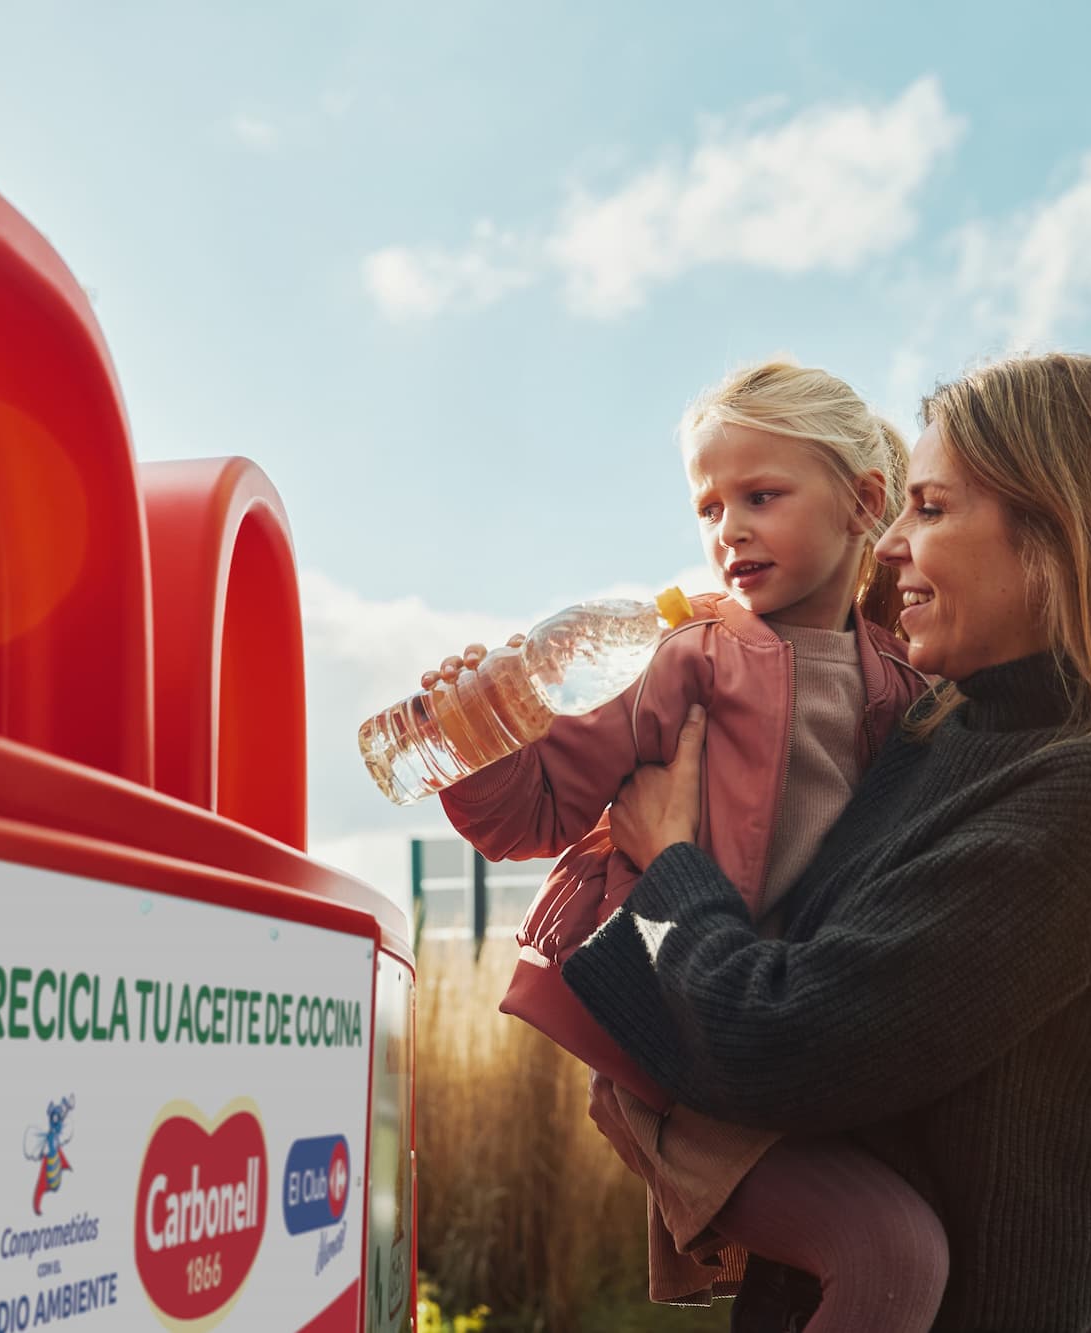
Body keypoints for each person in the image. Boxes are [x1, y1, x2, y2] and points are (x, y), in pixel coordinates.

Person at [564, 352, 1091, 1331]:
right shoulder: (941, 727)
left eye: (932, 509)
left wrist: (669, 870)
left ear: (1060, 533)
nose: (892, 544)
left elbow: (783, 1044)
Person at [425, 361, 945, 1326]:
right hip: (682, 1048)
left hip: (811, 1046)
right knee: (888, 1250)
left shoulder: (905, 688)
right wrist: (472, 738)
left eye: (761, 496)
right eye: (709, 506)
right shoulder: (685, 659)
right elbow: (534, 809)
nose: (728, 528)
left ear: (863, 502)